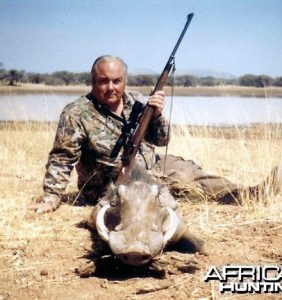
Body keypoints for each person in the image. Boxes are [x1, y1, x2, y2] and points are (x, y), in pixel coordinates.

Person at [30, 55, 281, 213]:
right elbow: (62, 159)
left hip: (153, 163)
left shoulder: (138, 102)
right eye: (103, 81)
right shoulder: (76, 113)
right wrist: (52, 197)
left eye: (116, 81)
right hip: (113, 182)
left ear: (124, 80)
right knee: (161, 196)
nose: (110, 87)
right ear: (93, 81)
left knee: (193, 175)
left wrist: (158, 114)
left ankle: (251, 194)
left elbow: (162, 140)